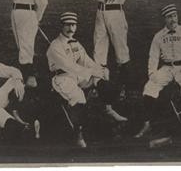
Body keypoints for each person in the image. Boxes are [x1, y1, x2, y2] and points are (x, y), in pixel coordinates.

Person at [47, 12, 127, 148]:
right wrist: (91, 72)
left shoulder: (77, 44)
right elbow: (70, 67)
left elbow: (87, 61)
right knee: (79, 98)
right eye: (67, 24)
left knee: (101, 76)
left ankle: (108, 108)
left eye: (73, 25)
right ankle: (78, 135)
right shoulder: (55, 46)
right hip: (63, 78)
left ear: (76, 26)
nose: (70, 28)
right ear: (62, 26)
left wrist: (100, 70)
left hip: (78, 76)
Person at [135, 4, 181, 138]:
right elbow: (153, 56)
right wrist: (152, 73)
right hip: (167, 68)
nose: (173, 19)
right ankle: (150, 123)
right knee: (149, 88)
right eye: (169, 17)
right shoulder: (158, 36)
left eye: (175, 16)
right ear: (165, 19)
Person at [11, 0, 48, 88]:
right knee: (21, 46)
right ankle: (26, 76)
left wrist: (36, 19)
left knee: (26, 48)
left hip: (28, 14)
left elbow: (43, 2)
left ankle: (30, 78)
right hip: (15, 13)